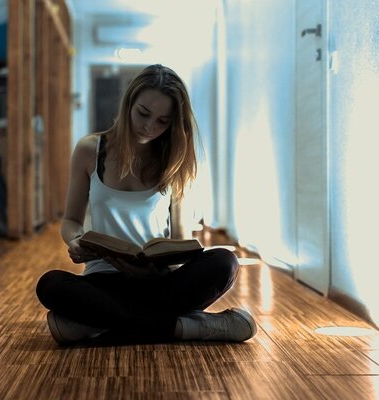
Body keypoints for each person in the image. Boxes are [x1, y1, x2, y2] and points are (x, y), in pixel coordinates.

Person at [35, 64, 257, 344]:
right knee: (51, 285)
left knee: (225, 262)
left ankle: (94, 326)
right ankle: (189, 327)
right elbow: (70, 221)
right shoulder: (90, 150)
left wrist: (155, 268)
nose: (150, 127)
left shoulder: (173, 160)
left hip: (157, 283)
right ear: (129, 103)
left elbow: (179, 239)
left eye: (163, 121)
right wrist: (76, 240)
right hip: (103, 282)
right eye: (143, 113)